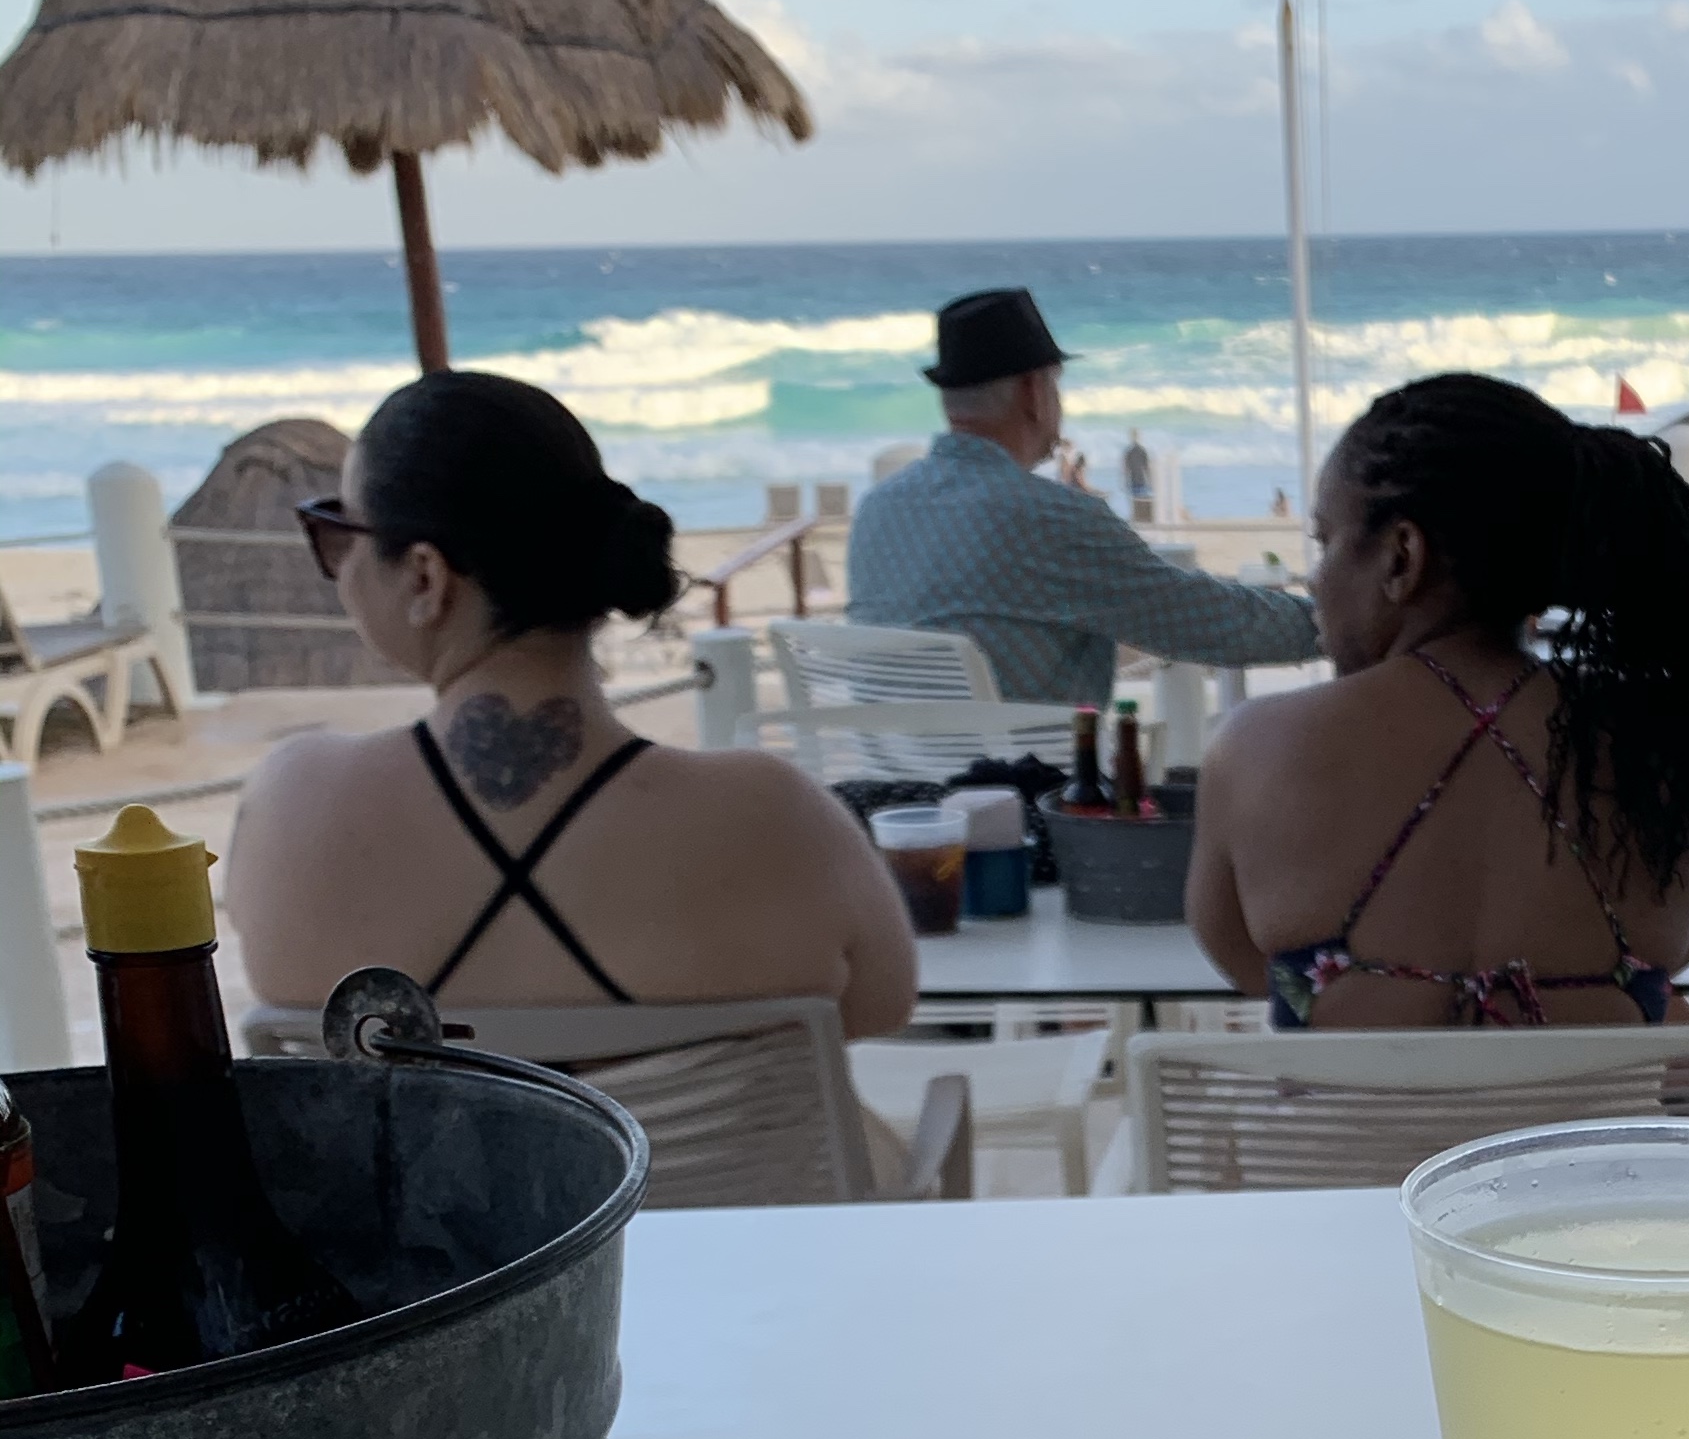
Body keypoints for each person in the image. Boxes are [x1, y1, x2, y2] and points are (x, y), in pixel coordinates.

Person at [228, 372, 915, 1032]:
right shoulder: (776, 816)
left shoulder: (293, 805)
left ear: (425, 576)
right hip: (711, 1124)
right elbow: (881, 1007)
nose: (340, 567)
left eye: (341, 534)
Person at [1186, 374, 1689, 1029]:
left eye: (1324, 540)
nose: (1316, 578)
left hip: (1357, 1102)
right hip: (1590, 1102)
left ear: (1402, 557)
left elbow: (1244, 968)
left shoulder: (1254, 748)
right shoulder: (1662, 750)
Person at [849, 288, 1318, 700]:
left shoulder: (877, 509)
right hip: (1035, 771)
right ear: (1034, 393)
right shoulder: (1050, 518)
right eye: (1055, 384)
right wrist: (1334, 620)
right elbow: (1202, 621)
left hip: (898, 772)